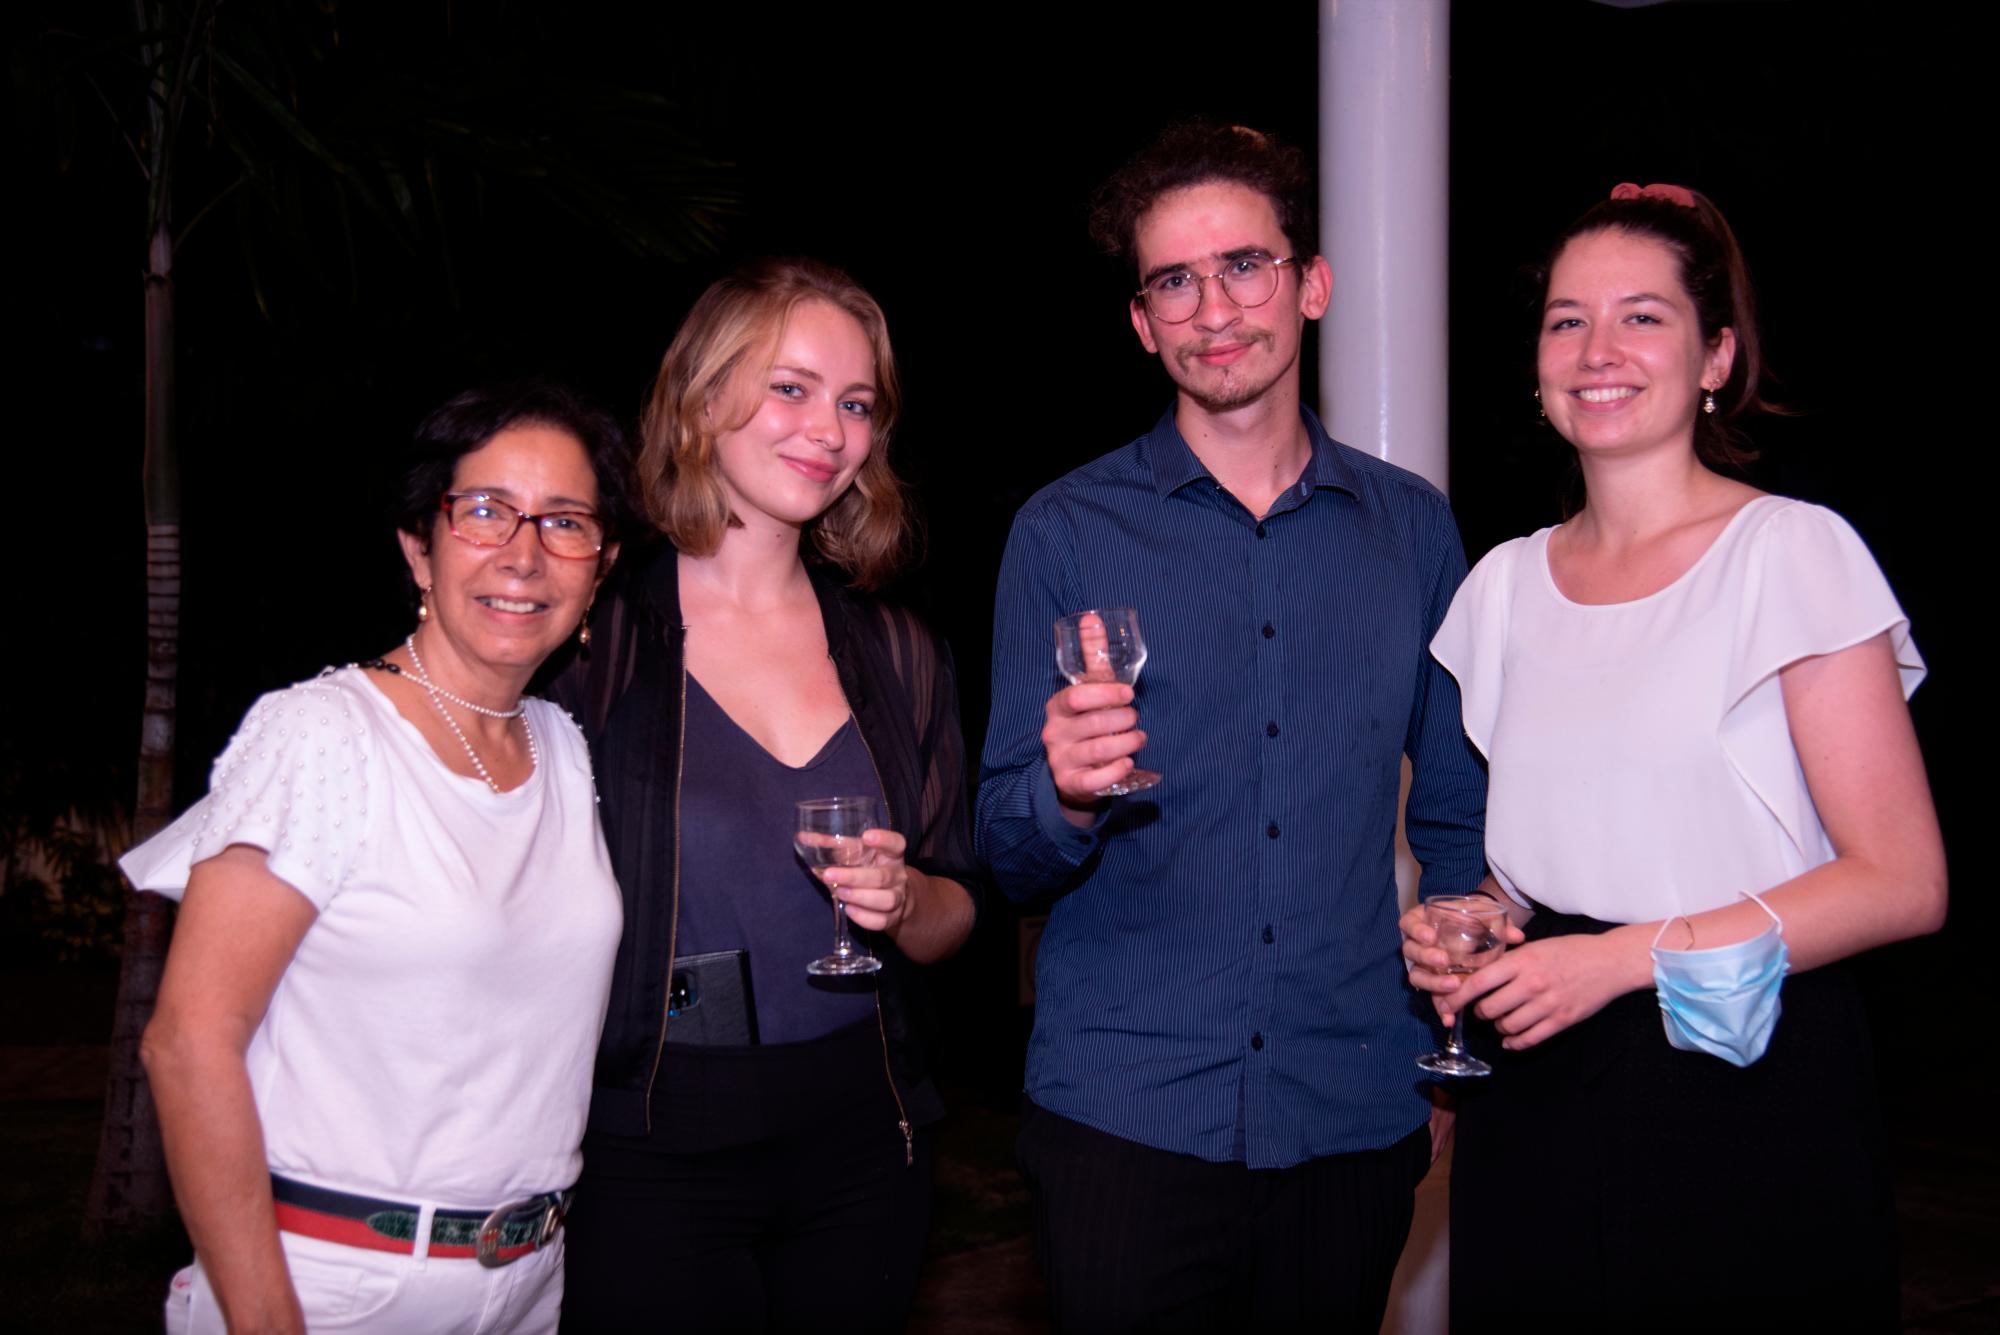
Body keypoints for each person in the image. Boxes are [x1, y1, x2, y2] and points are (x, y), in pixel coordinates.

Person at [1402, 183, 1948, 1331]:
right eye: (1565, 320)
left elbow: (1902, 883)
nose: (1596, 350)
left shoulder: (1788, 553)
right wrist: (1477, 923)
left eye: (1641, 316)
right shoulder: (1500, 584)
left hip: (1738, 1072)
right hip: (1538, 1069)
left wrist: (1610, 963)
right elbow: (1554, 849)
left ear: (1714, 357)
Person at [976, 119, 1487, 1333]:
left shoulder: (1410, 529)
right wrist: (1063, 791)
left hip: (1349, 1104)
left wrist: (1447, 1036)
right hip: (1123, 1117)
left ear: (1307, 285)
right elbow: (1003, 843)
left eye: (1244, 265)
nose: (1215, 308)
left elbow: (1457, 815)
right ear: (1142, 323)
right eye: (1174, 281)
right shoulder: (1061, 531)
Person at [122, 380, 634, 1334]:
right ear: (418, 547)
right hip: (333, 1288)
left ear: (598, 566)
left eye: (564, 522)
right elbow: (188, 1042)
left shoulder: (563, 749)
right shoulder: (322, 735)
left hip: (528, 1284)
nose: (523, 554)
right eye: (483, 510)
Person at [553, 257, 979, 1333]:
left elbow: (953, 906)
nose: (827, 431)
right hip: (650, 1135)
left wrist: (906, 901)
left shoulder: (897, 651)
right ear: (701, 397)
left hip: (864, 1128)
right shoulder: (594, 638)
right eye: (789, 388)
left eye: (854, 404)